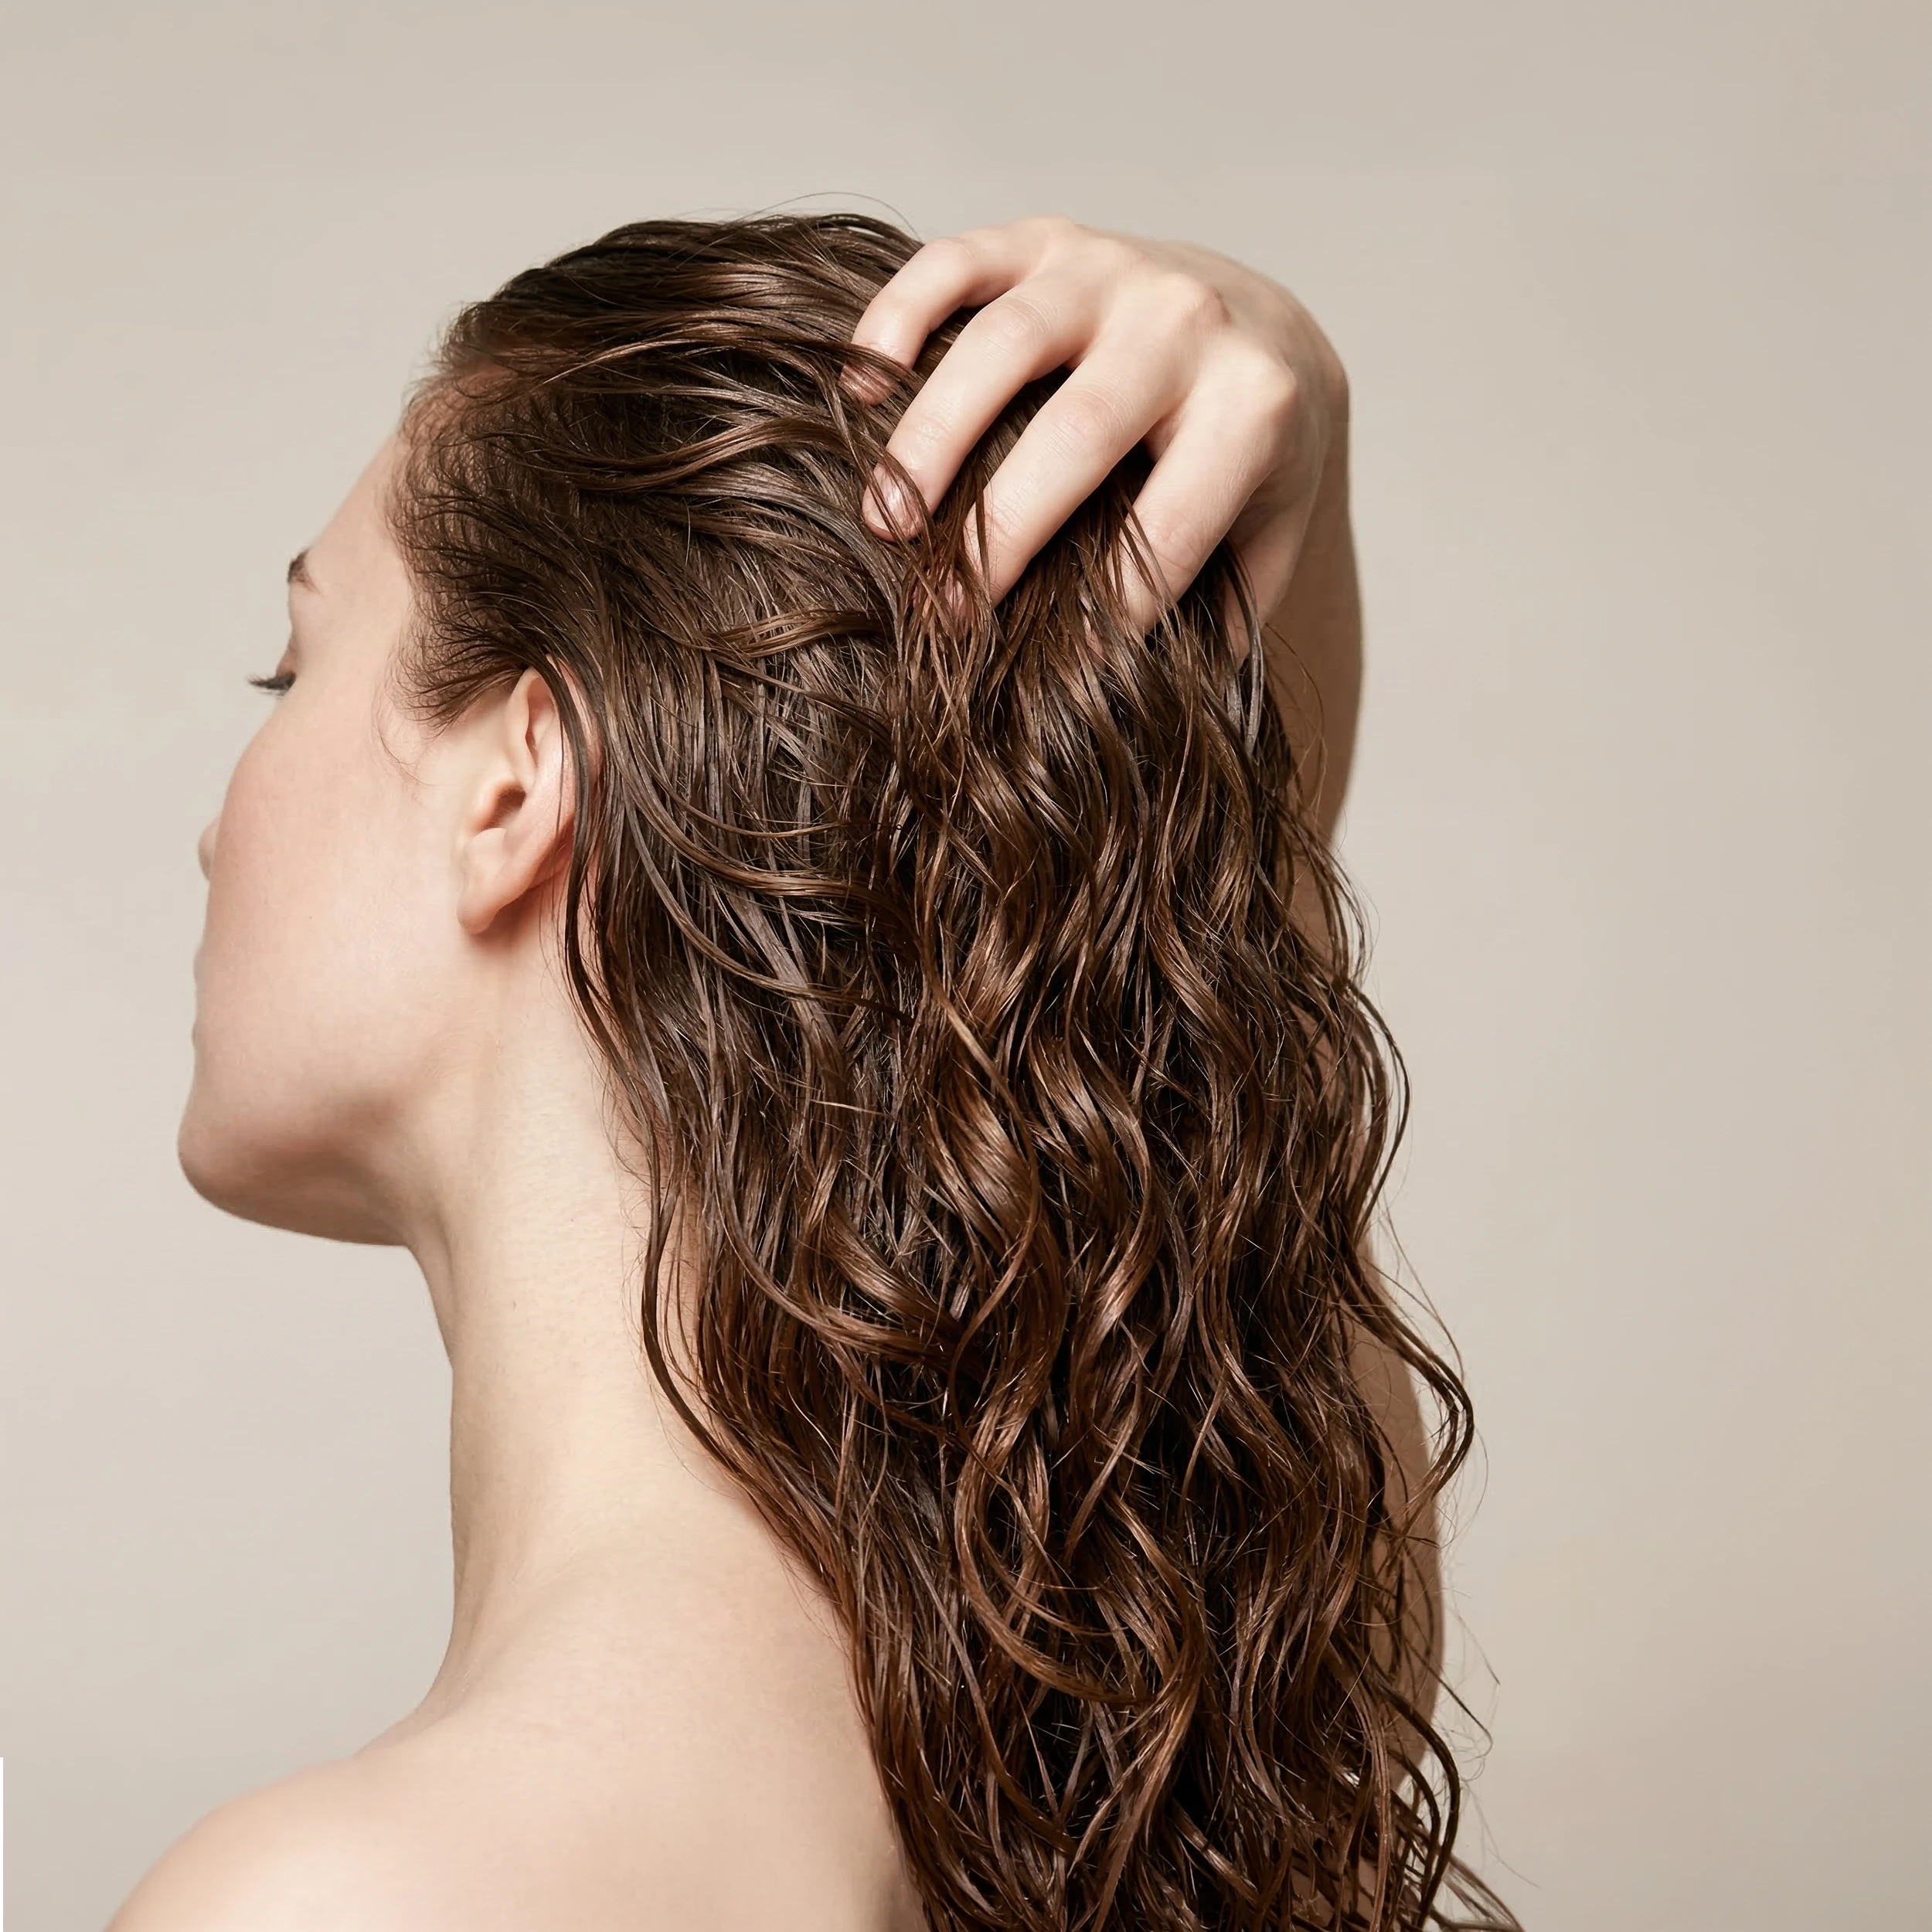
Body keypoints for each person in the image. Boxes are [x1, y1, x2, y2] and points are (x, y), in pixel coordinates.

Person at [110, 213, 1510, 1932]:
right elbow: (1182, 959)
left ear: (515, 780)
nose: (207, 827)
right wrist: (1289, 389)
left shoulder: (360, 1897)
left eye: (295, 661)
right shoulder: (1179, 1705)